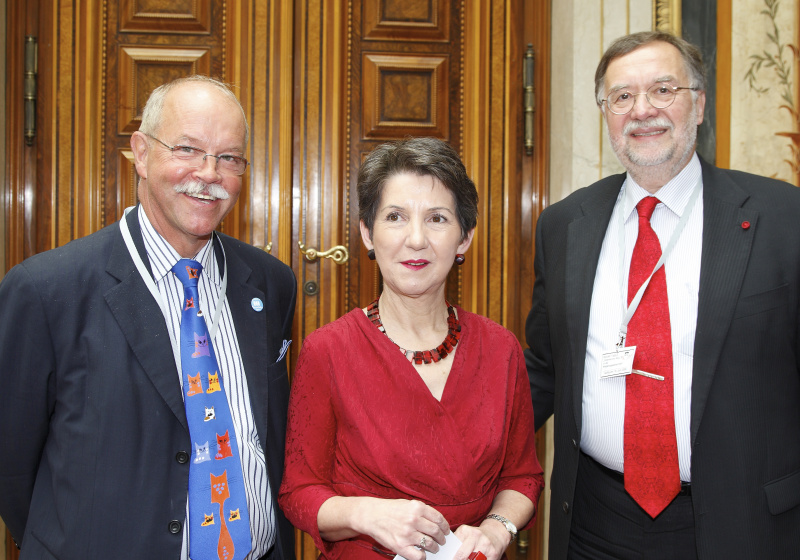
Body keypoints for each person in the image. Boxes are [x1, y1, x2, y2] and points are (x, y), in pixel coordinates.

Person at [525, 30, 800, 559]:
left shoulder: (783, 220)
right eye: (621, 96)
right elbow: (546, 366)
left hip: (741, 526)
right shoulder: (564, 225)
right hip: (594, 523)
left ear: (698, 104)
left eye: (663, 89)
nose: (642, 110)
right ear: (606, 115)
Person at [0, 75, 297, 560]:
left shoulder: (269, 285)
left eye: (229, 158)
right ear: (140, 152)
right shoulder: (44, 291)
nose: (209, 174)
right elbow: (11, 468)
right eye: (187, 148)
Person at [278, 137, 543, 560]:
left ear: (464, 239)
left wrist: (496, 530)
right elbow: (299, 493)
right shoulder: (328, 350)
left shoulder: (501, 349)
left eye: (437, 219)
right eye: (395, 217)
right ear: (368, 232)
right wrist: (368, 515)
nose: (416, 239)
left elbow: (523, 476)